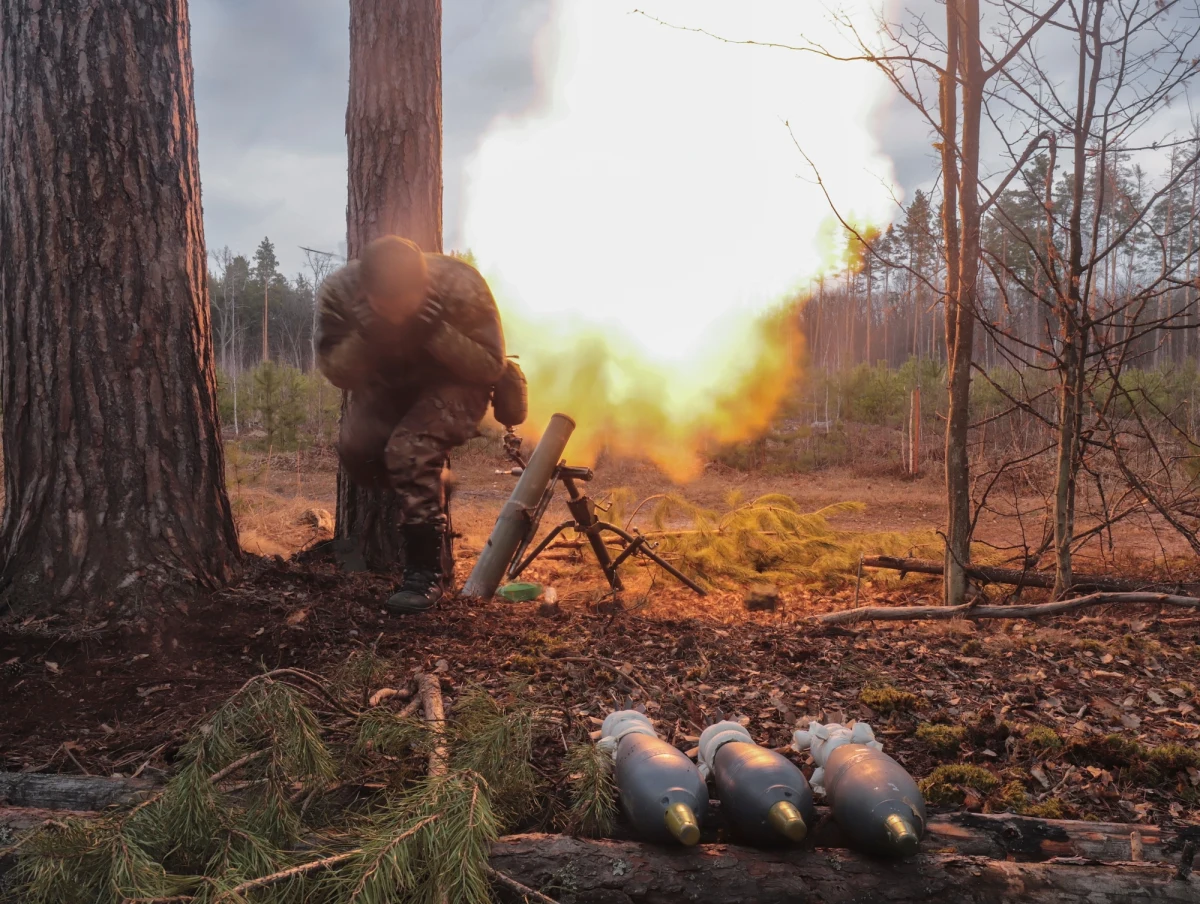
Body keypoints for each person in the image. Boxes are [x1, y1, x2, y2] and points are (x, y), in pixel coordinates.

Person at [316, 235, 507, 614]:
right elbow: (338, 372)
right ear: (366, 294)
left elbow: (490, 365)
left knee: (409, 450)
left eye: (407, 305)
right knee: (358, 452)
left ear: (425, 287)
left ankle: (425, 575)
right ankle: (429, 485)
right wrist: (368, 337)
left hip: (458, 381)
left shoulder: (460, 284)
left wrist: (435, 331)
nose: (399, 316)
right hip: (391, 384)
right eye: (387, 308)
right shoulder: (340, 293)